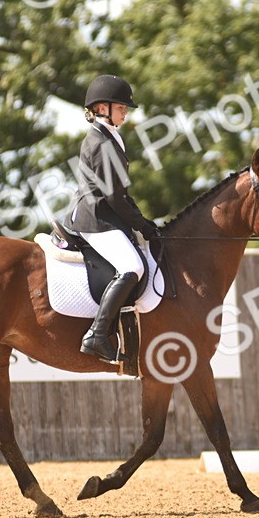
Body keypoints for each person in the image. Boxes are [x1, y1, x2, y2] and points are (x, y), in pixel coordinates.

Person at [68, 74, 160, 364]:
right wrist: (142, 224)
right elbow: (115, 198)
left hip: (105, 214)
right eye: (121, 107)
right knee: (132, 266)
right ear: (101, 108)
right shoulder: (102, 142)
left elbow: (120, 192)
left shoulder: (109, 137)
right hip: (96, 218)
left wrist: (142, 222)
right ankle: (96, 334)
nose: (126, 111)